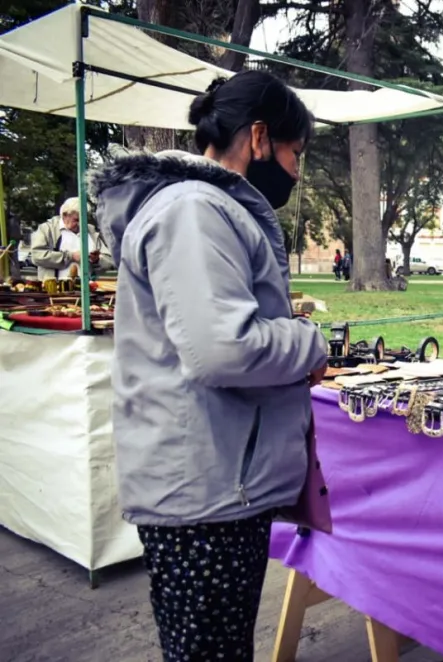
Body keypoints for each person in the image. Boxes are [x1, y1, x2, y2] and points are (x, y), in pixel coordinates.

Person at [89, 70, 329, 662]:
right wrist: (309, 343)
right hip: (206, 494)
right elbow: (222, 348)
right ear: (258, 136)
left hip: (215, 482)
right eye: (296, 153)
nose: (297, 172)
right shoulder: (195, 209)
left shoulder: (202, 208)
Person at [29, 197, 113, 281]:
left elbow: (109, 260)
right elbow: (37, 256)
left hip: (87, 290)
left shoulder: (90, 231)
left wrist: (97, 259)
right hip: (55, 289)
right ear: (65, 215)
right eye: (76, 220)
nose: (80, 223)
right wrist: (70, 256)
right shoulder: (47, 229)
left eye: (83, 220)